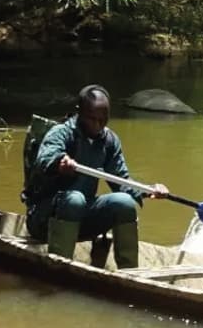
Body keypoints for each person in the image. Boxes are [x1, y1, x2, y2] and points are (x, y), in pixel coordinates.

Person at [24, 84, 168, 268]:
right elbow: (45, 158)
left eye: (103, 119)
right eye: (92, 119)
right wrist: (60, 162)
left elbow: (121, 180)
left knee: (124, 203)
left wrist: (149, 191)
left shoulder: (108, 141)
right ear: (79, 113)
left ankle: (131, 273)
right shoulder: (62, 133)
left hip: (83, 218)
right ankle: (60, 268)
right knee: (74, 199)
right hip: (45, 220)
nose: (98, 125)